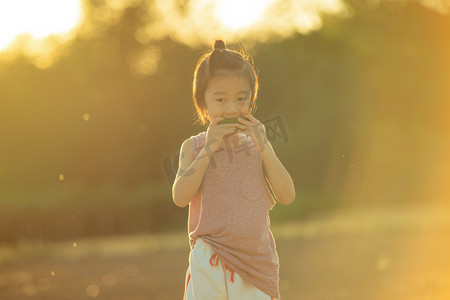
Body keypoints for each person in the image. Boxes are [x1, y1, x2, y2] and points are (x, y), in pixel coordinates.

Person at [172, 39, 296, 300]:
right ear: (203, 105)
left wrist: (266, 148)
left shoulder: (257, 145)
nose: (232, 108)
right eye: (220, 99)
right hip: (210, 258)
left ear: (252, 99)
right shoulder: (192, 147)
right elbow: (180, 196)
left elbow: (287, 196)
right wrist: (210, 147)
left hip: (256, 260)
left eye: (241, 98)